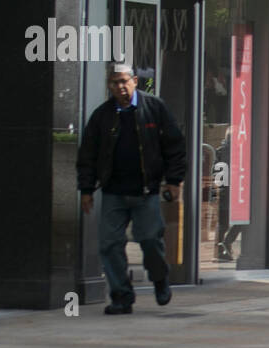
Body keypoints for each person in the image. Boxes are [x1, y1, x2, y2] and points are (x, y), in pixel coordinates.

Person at [77, 65, 187, 315]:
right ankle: (121, 296)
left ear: (135, 81)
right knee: (110, 245)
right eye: (114, 83)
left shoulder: (154, 108)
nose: (120, 87)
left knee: (149, 239)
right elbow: (88, 155)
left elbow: (174, 145)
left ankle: (160, 279)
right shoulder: (102, 115)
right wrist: (85, 189)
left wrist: (173, 180)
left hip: (145, 190)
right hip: (113, 191)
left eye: (124, 81)